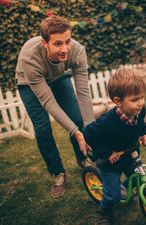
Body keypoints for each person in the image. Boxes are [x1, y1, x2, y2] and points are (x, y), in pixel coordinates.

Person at [15, 15, 94, 198]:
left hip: (58, 77)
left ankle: (84, 158)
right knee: (42, 129)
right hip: (29, 83)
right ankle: (58, 172)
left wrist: (89, 127)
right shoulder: (29, 58)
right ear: (45, 43)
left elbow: (83, 91)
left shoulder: (77, 51)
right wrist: (75, 131)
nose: (65, 48)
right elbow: (48, 102)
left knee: (78, 119)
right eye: (58, 43)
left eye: (68, 41)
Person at [83, 68, 146, 225]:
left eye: (142, 97)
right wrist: (108, 153)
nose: (141, 103)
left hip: (130, 156)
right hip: (110, 162)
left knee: (139, 179)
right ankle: (104, 213)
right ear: (117, 101)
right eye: (135, 99)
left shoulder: (139, 111)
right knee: (112, 195)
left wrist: (145, 133)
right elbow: (88, 134)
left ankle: (124, 189)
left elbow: (140, 124)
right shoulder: (108, 121)